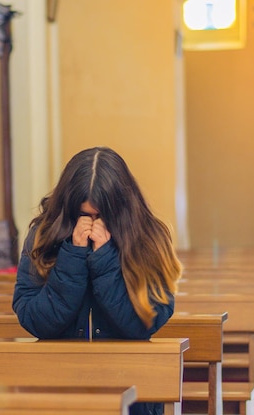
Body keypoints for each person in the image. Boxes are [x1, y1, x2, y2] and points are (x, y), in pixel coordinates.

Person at [12, 146, 182, 415]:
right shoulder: (43, 235)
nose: (92, 225)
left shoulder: (149, 237)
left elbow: (146, 322)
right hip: (58, 388)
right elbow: (35, 320)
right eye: (84, 215)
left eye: (101, 216)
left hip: (133, 387)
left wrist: (104, 260)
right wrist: (73, 257)